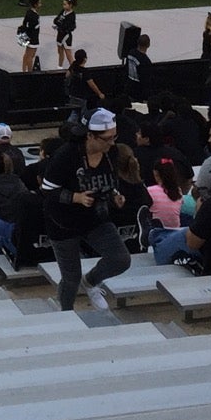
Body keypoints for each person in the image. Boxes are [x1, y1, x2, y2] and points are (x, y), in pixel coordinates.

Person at [39, 108, 132, 311]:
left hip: (95, 217)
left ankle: (90, 282)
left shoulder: (110, 153)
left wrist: (115, 195)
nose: (112, 143)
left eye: (114, 137)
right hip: (62, 222)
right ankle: (66, 313)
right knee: (70, 278)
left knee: (121, 259)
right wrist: (76, 197)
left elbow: (110, 180)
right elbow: (47, 189)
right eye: (107, 138)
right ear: (90, 136)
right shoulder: (66, 155)